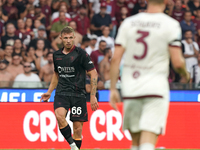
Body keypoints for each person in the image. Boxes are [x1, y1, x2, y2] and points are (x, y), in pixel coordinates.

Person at [109, 0, 190, 149]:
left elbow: (115, 59)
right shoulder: (170, 24)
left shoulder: (129, 23)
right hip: (155, 87)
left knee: (136, 142)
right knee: (148, 139)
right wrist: (185, 73)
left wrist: (113, 88)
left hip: (131, 87)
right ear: (166, 1)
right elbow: (177, 63)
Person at [40, 26, 98, 150]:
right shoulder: (56, 55)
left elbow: (93, 73)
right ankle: (73, 146)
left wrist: (92, 96)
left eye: (70, 38)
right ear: (60, 39)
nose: (68, 40)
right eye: (65, 38)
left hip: (78, 94)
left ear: (74, 38)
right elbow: (56, 74)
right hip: (62, 92)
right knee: (60, 116)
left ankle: (75, 146)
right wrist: (49, 92)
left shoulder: (81, 54)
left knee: (77, 129)